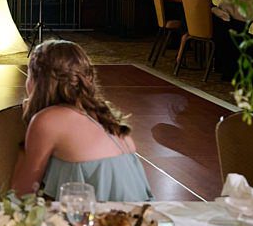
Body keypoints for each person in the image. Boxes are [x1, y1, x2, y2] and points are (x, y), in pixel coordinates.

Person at [10, 39, 152, 201]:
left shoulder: (48, 120)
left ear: (38, 80)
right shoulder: (104, 114)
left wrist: (21, 140)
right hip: (138, 217)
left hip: (97, 219)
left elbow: (21, 192)